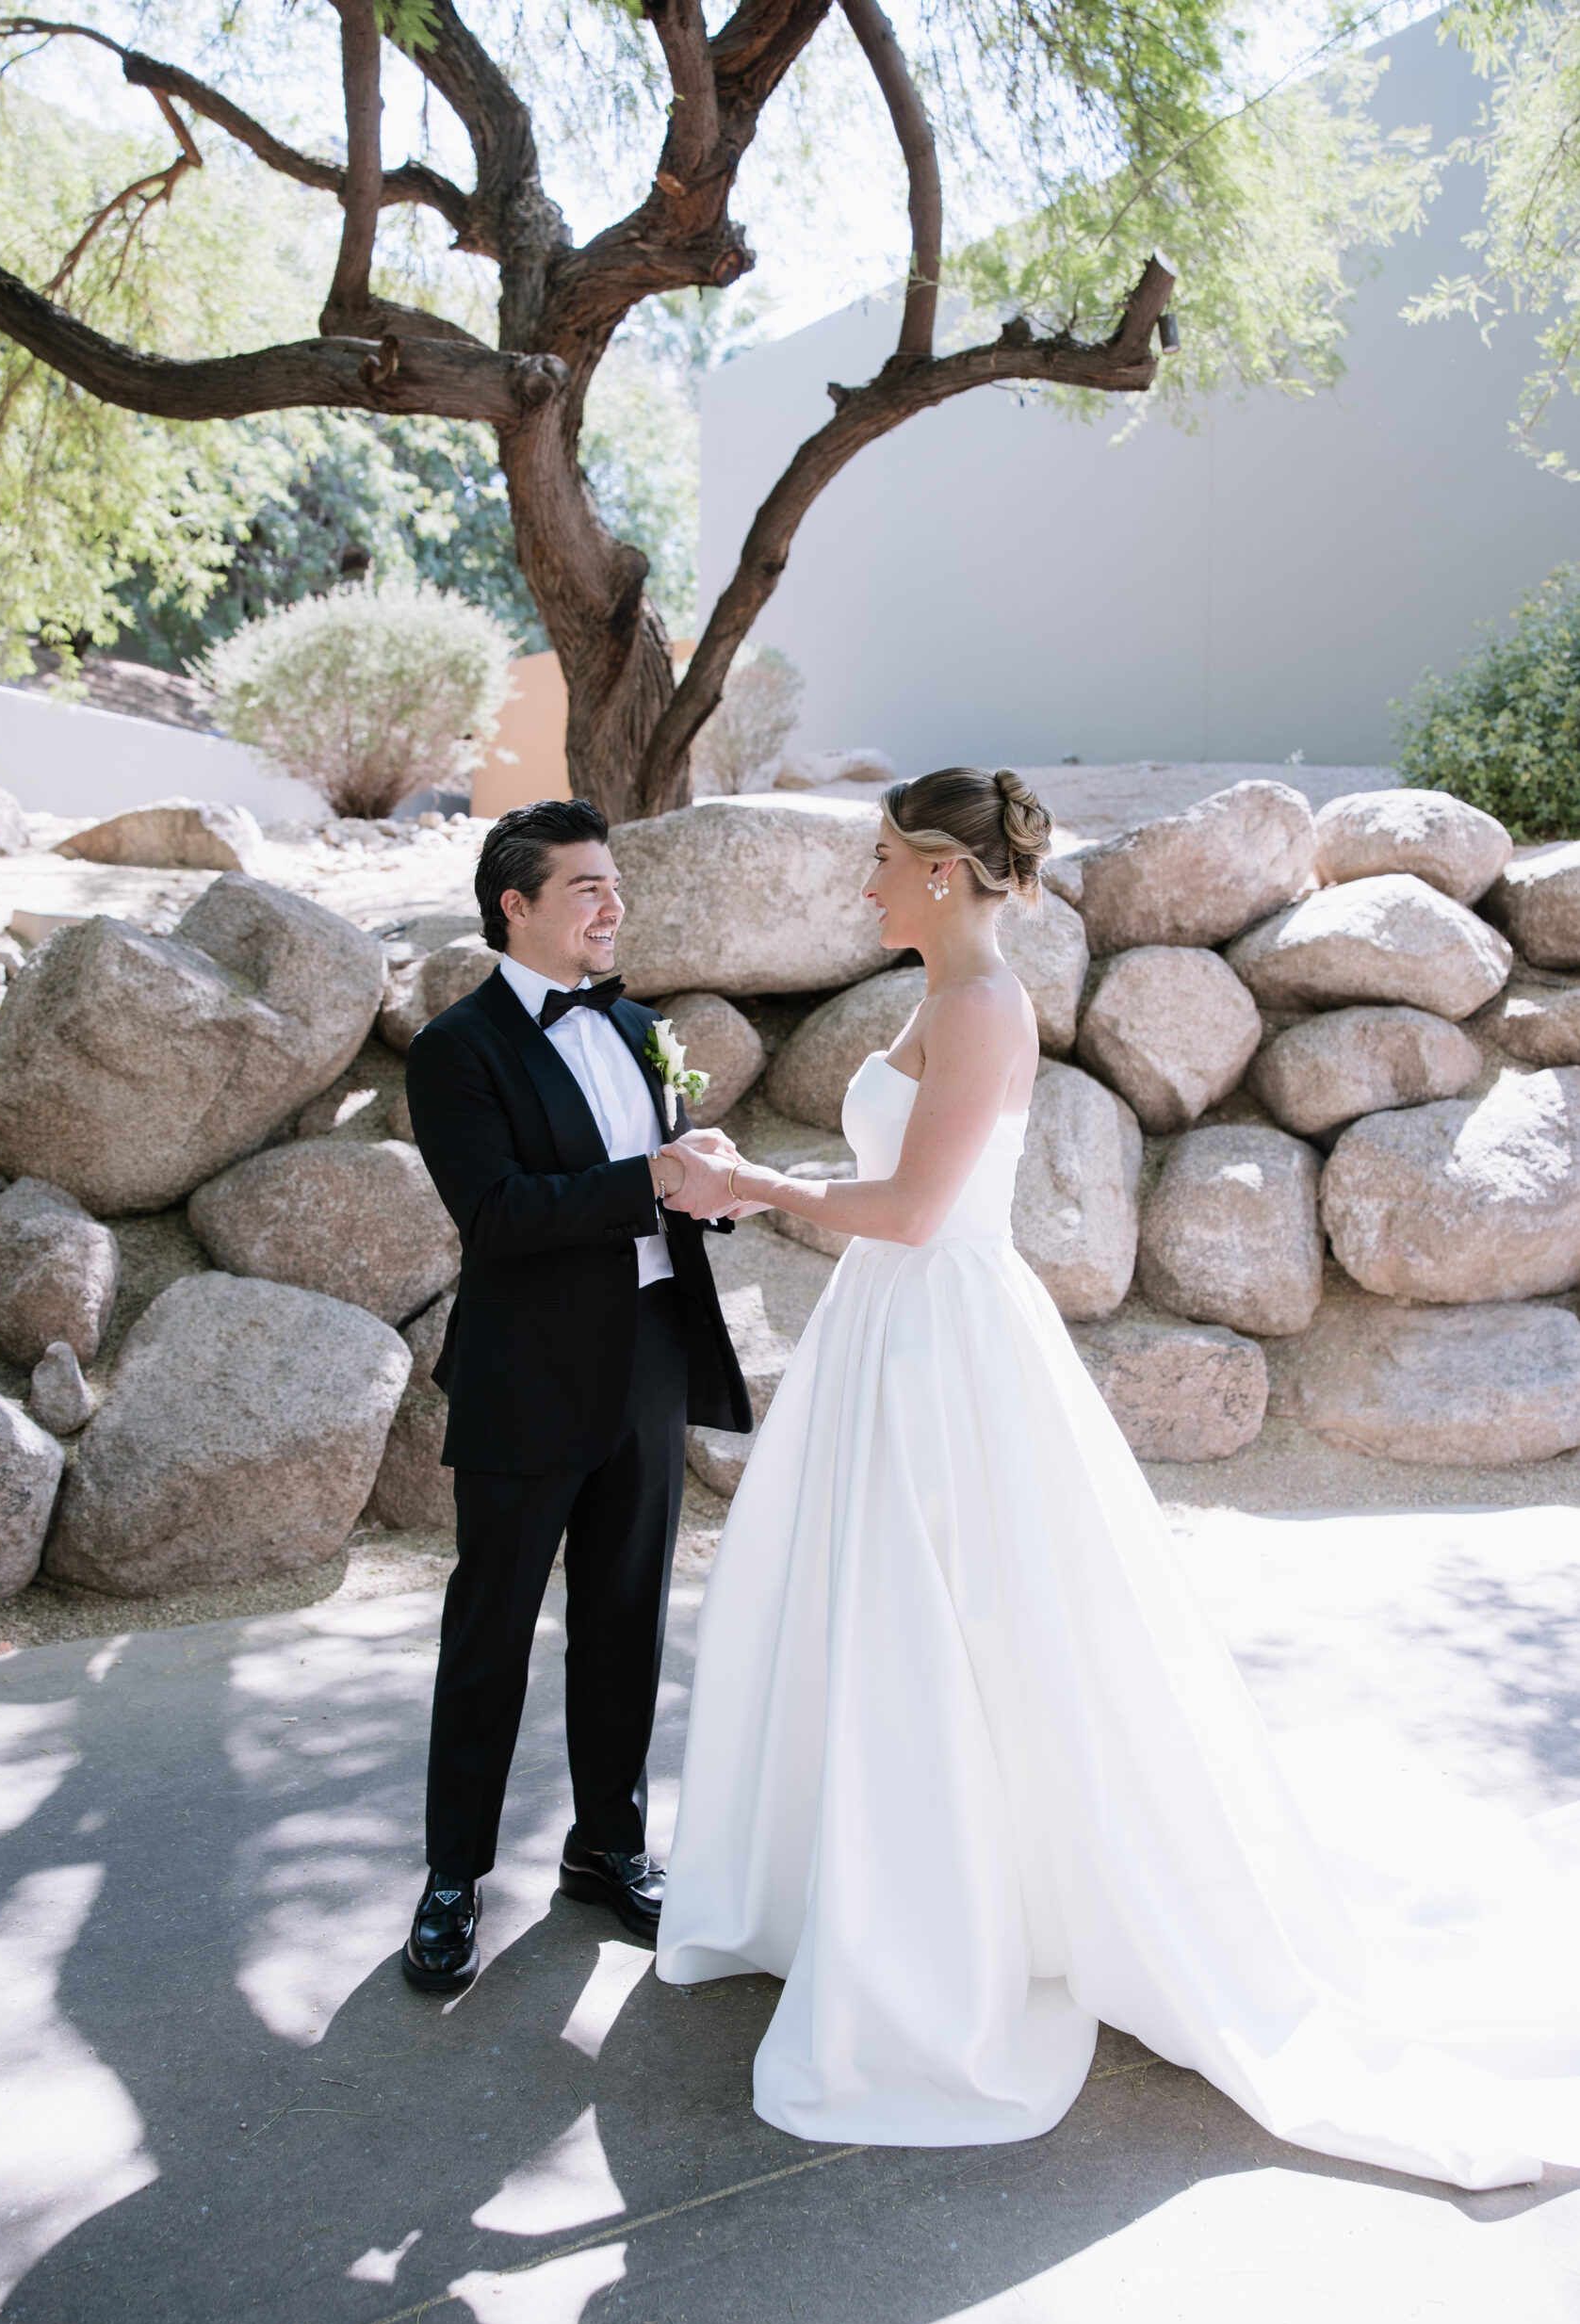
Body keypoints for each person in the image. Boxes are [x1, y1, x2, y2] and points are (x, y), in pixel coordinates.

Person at [656, 765, 1580, 2189]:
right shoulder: (938, 995)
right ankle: (857, 1897)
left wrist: (747, 1187)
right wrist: (760, 1173)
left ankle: (951, 1934)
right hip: (887, 1333)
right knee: (880, 1621)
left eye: (885, 860)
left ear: (945, 872)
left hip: (943, 1338)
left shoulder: (981, 1005)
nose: (867, 882)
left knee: (948, 1625)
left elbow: (913, 1209)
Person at [400, 798, 750, 1991]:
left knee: (626, 1617)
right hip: (528, 1371)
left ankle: (609, 1844)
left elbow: (666, 1184)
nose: (613, 905)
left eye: (614, 884)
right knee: (490, 1629)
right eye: (587, 887)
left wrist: (709, 1182)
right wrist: (649, 1173)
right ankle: (454, 1878)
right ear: (517, 905)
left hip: (649, 1355)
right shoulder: (455, 1048)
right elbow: (496, 1213)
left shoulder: (643, 1027)